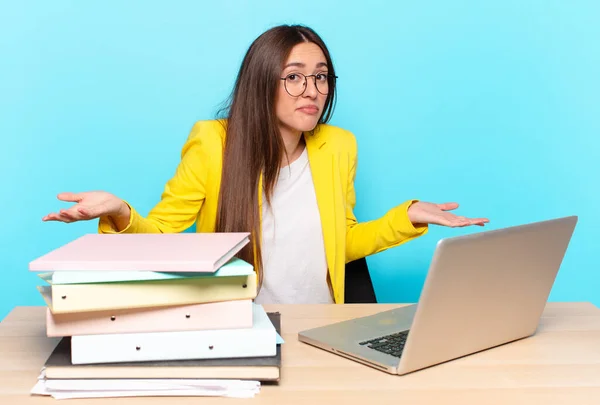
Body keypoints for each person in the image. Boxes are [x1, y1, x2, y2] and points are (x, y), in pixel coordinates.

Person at [42, 24, 489, 304]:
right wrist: (120, 212)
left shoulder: (339, 146)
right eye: (294, 76)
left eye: (320, 76)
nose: (311, 89)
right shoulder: (213, 142)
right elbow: (162, 237)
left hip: (323, 329)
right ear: (262, 81)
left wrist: (404, 217)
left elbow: (340, 244)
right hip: (241, 328)